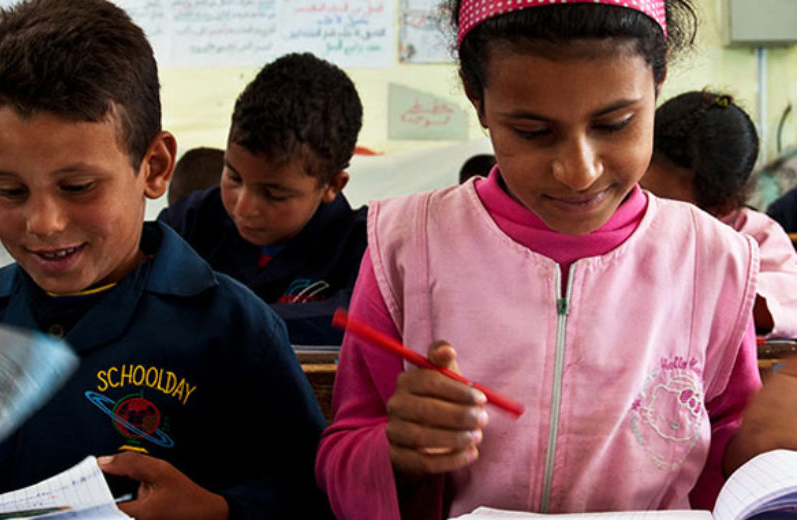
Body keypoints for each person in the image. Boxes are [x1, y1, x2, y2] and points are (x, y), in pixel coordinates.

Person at [315, 1, 797, 518]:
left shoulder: (714, 260)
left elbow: (721, 451)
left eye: (614, 124)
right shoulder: (408, 245)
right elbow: (342, 460)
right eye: (533, 132)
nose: (578, 172)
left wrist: (753, 449)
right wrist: (399, 453)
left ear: (658, 83)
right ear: (477, 99)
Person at [0, 1, 330, 519]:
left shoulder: (231, 330)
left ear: (154, 167)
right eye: (10, 190)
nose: (43, 223)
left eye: (78, 187)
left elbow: (311, 497)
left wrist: (218, 512)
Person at [158, 52, 367, 346]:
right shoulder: (188, 223)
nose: (244, 208)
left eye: (274, 194)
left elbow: (358, 320)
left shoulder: (362, 247)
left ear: (332, 185)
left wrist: (228, 320)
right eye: (234, 178)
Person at [641, 90, 797, 338]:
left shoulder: (755, 237)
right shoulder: (616, 219)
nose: (648, 210)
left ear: (722, 207)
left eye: (667, 204)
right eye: (641, 192)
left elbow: (784, 303)